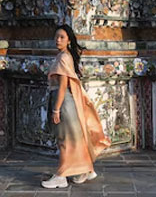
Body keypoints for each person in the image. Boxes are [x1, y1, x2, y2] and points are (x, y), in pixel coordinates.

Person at [41, 24, 110, 189]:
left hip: (63, 102)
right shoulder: (64, 56)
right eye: (56, 36)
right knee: (72, 139)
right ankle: (84, 170)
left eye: (62, 37)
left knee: (65, 141)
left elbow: (63, 85)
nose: (58, 40)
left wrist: (56, 109)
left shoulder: (64, 58)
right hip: (65, 101)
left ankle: (61, 176)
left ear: (69, 40)